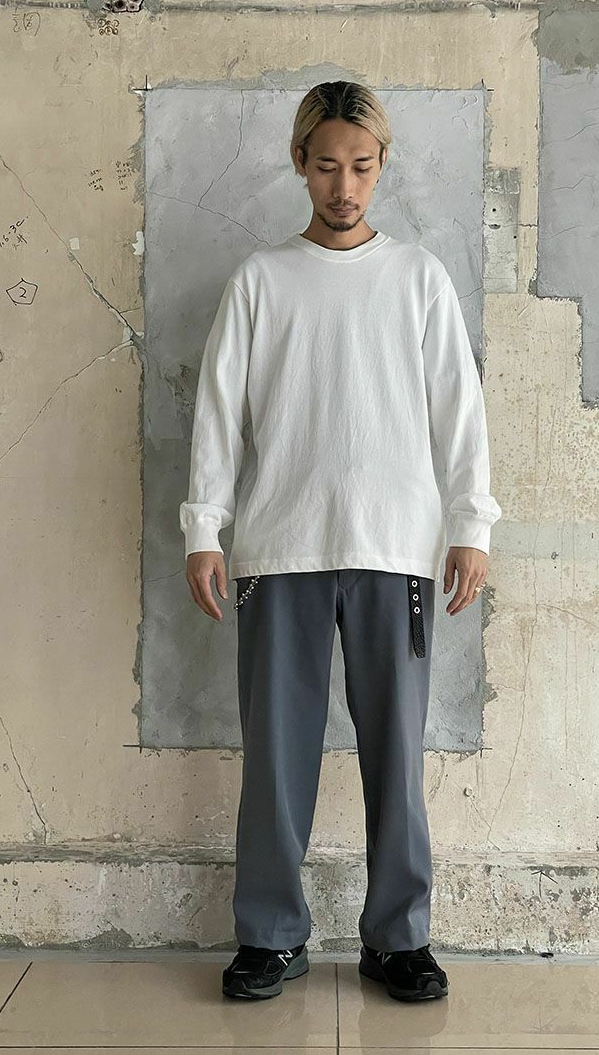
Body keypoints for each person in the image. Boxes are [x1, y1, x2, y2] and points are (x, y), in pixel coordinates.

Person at [180, 81, 502, 1002]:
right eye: (326, 165)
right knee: (276, 756)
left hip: (396, 549)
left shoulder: (418, 278)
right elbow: (218, 412)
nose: (344, 185)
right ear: (300, 163)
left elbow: (459, 409)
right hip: (279, 546)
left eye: (361, 166)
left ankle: (399, 938)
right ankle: (270, 935)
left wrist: (471, 523)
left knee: (395, 755)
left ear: (381, 164)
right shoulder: (261, 280)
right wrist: (205, 526)